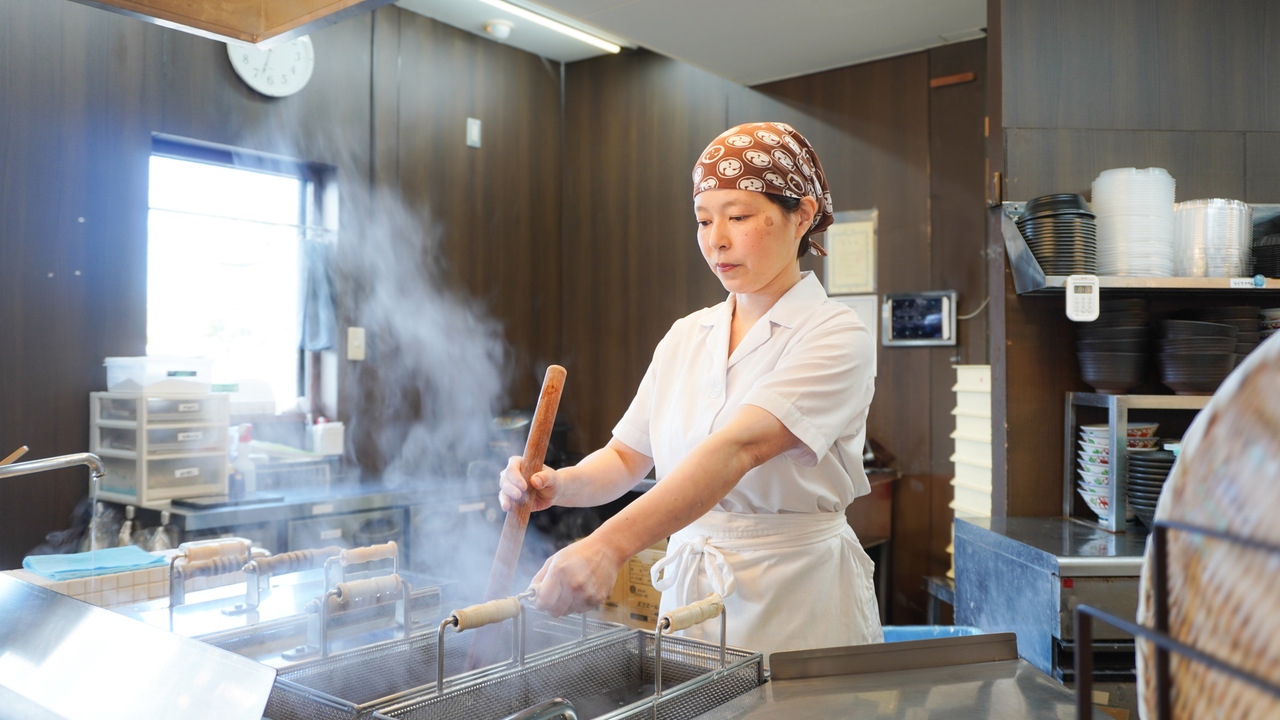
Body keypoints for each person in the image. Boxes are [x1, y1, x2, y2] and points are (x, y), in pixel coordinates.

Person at [499, 121, 882, 659]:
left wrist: (607, 546)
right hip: (691, 602)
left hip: (797, 602)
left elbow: (738, 448)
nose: (716, 239)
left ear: (803, 213)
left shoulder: (835, 333)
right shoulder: (687, 335)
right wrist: (556, 484)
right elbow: (625, 457)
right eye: (703, 220)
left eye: (739, 217)